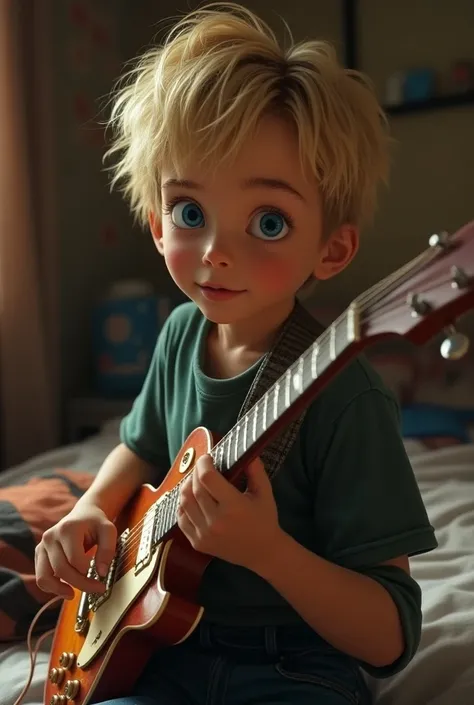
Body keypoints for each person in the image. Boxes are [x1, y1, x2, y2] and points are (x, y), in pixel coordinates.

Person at [35, 4, 437, 704]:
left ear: (332, 248)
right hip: (157, 651)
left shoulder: (346, 390)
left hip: (296, 666)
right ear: (159, 225)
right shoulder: (177, 335)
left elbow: (391, 634)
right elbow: (139, 445)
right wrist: (92, 510)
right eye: (191, 213)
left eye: (269, 222)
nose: (217, 252)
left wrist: (267, 552)